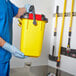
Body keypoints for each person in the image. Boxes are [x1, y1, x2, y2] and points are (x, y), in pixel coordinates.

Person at [0, 0, 31, 76]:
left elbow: (17, 12)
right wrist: (7, 46)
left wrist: (26, 8)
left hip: (5, 56)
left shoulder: (7, 2)